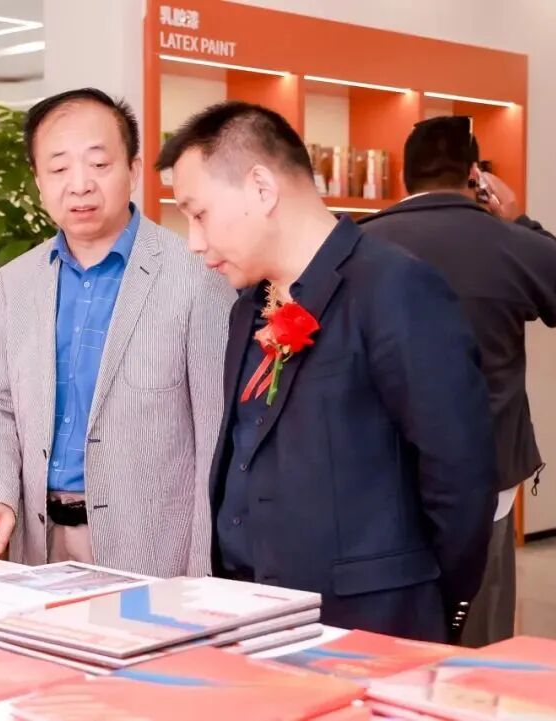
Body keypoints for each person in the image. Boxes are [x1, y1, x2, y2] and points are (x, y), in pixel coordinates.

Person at [156, 101, 498, 642]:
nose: (194, 241)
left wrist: (433, 603)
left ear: (261, 188)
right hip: (255, 620)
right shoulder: (247, 308)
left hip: (372, 627)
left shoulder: (394, 288)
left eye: (198, 214)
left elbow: (459, 474)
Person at [0, 88, 234, 576]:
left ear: (133, 169)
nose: (80, 185)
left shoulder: (197, 275)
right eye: (59, 169)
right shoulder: (14, 283)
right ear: (38, 181)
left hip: (153, 551)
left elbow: (217, 437)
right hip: (37, 542)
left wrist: (201, 576)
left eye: (99, 164)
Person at [359, 116, 556, 646]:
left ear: (403, 175)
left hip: (377, 475)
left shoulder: (358, 242)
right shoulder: (507, 240)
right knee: (479, 627)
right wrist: (520, 219)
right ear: (475, 176)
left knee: (387, 633)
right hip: (486, 474)